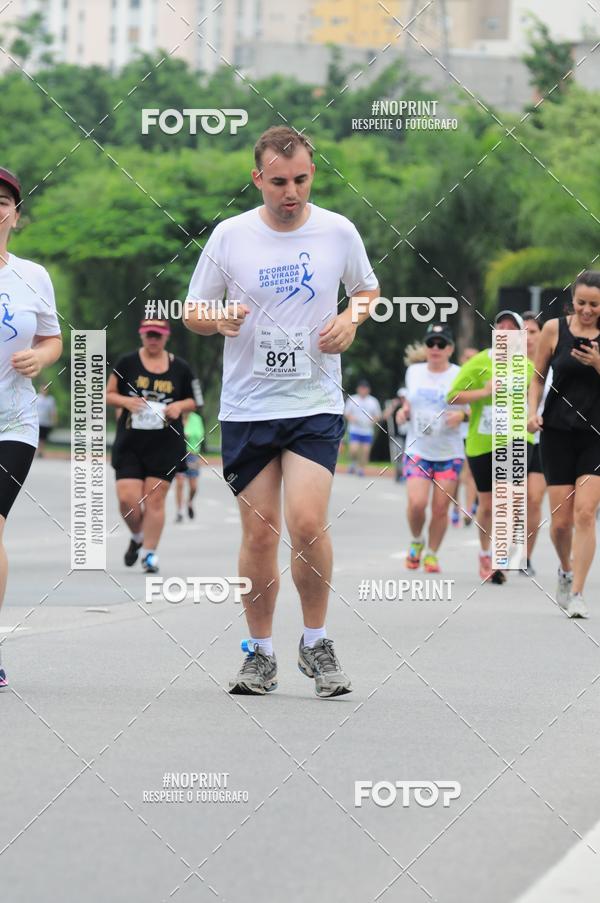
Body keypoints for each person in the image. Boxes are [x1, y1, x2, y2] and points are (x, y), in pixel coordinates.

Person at [184, 125, 379, 697]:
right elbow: (193, 307)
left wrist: (351, 319)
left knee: (306, 521)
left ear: (311, 174)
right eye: (277, 182)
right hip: (248, 407)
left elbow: (367, 291)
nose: (289, 192)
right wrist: (217, 320)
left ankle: (316, 642)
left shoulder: (338, 231)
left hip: (314, 403)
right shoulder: (230, 235)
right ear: (257, 179)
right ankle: (261, 653)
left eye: (299, 180)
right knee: (261, 533)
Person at [0, 167, 62, 688]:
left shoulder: (32, 276)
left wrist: (40, 358)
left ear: (15, 216)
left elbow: (52, 339)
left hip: (13, 421)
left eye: (4, 201)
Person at [528, 272, 600, 618]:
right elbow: (538, 375)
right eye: (582, 303)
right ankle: (565, 569)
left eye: (595, 305)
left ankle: (578, 592)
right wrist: (531, 411)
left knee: (586, 512)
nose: (587, 311)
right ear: (573, 301)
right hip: (556, 431)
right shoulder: (554, 329)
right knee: (560, 523)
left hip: (595, 436)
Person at [106, 318, 198, 574]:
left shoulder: (181, 368)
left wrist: (179, 406)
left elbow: (194, 400)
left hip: (166, 443)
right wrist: (126, 401)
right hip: (131, 442)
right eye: (149, 335)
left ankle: (149, 553)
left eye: (158, 335)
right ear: (141, 335)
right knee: (127, 500)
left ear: (166, 336)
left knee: (155, 500)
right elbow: (108, 393)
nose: (153, 339)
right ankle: (137, 536)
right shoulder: (127, 363)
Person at [448, 311, 534, 584]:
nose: (506, 331)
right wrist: (484, 392)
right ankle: (485, 553)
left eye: (512, 327)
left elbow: (539, 399)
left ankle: (500, 556)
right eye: (501, 326)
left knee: (509, 500)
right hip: (482, 442)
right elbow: (452, 397)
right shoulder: (480, 361)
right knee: (486, 505)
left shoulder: (529, 366)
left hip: (517, 439)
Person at [395, 323, 467, 574]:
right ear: (425, 347)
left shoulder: (460, 373)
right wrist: (403, 413)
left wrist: (463, 417)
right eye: (431, 343)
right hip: (419, 449)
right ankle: (417, 540)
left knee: (440, 508)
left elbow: (474, 408)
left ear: (450, 348)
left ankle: (432, 554)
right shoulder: (414, 372)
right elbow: (409, 402)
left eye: (441, 344)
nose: (435, 348)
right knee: (416, 503)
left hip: (449, 451)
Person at [521, 312, 548, 578]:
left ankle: (526, 556)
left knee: (533, 497)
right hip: (510, 439)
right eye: (522, 333)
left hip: (541, 439)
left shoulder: (550, 364)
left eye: (532, 332)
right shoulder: (503, 364)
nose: (527, 339)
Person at [450, 347, 478, 527]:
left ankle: (468, 509)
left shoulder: (481, 378)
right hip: (453, 434)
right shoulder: (453, 377)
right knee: (455, 475)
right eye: (466, 357)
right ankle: (454, 507)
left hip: (471, 432)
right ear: (461, 358)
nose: (469, 361)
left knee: (470, 474)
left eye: (473, 358)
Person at [344, 379, 382, 476]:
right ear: (358, 389)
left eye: (365, 389)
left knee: (365, 451)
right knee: (354, 450)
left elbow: (378, 415)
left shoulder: (373, 401)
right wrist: (352, 419)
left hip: (367, 430)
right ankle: (353, 463)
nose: (363, 390)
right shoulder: (353, 399)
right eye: (361, 388)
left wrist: (372, 421)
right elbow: (347, 413)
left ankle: (361, 468)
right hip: (355, 429)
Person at [175, 409, 205, 522]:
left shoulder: (196, 419)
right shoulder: (176, 417)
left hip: (192, 454)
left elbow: (200, 436)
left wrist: (187, 435)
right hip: (179, 454)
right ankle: (179, 511)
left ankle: (190, 502)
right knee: (180, 482)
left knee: (193, 486)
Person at [36, 383, 57, 456]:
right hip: (37, 421)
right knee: (36, 437)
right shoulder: (36, 397)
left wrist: (54, 421)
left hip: (46, 422)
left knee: (42, 438)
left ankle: (40, 451)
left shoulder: (50, 399)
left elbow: (53, 411)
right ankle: (36, 450)